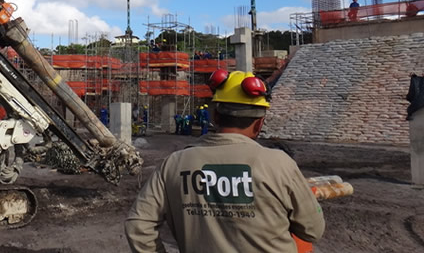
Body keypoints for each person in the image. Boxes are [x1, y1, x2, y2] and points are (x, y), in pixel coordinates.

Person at [125, 70, 325, 252]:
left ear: (215, 116)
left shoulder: (174, 164)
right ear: (260, 122)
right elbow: (312, 230)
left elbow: (138, 225)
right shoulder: (280, 165)